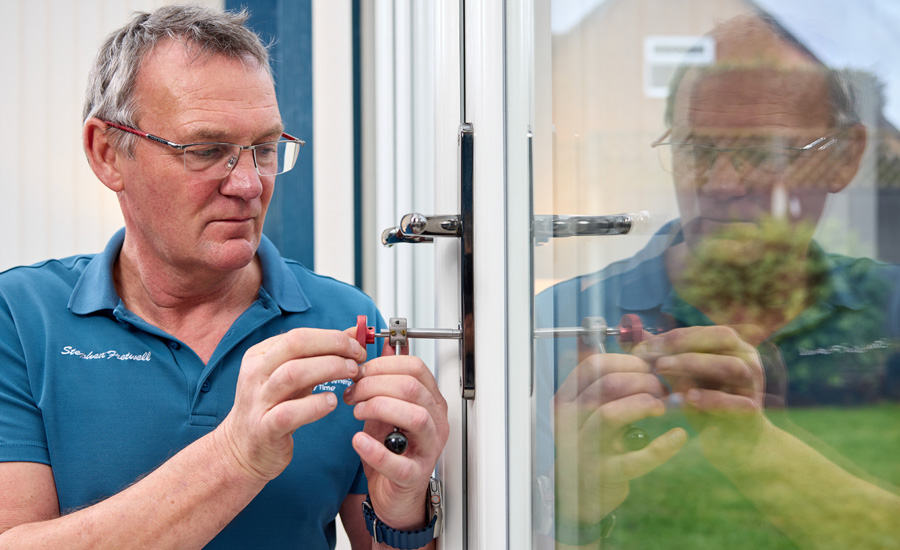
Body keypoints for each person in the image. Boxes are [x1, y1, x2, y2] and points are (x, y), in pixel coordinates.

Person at [0, 5, 448, 549]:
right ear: (107, 152)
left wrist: (403, 511)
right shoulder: (21, 319)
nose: (248, 184)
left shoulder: (342, 321)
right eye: (206, 150)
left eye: (263, 149)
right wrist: (235, 456)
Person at [536, 13, 900, 549]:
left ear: (844, 158)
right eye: (697, 150)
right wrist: (575, 507)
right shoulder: (557, 325)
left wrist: (757, 451)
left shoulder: (891, 312)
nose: (722, 184)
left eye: (764, 152)